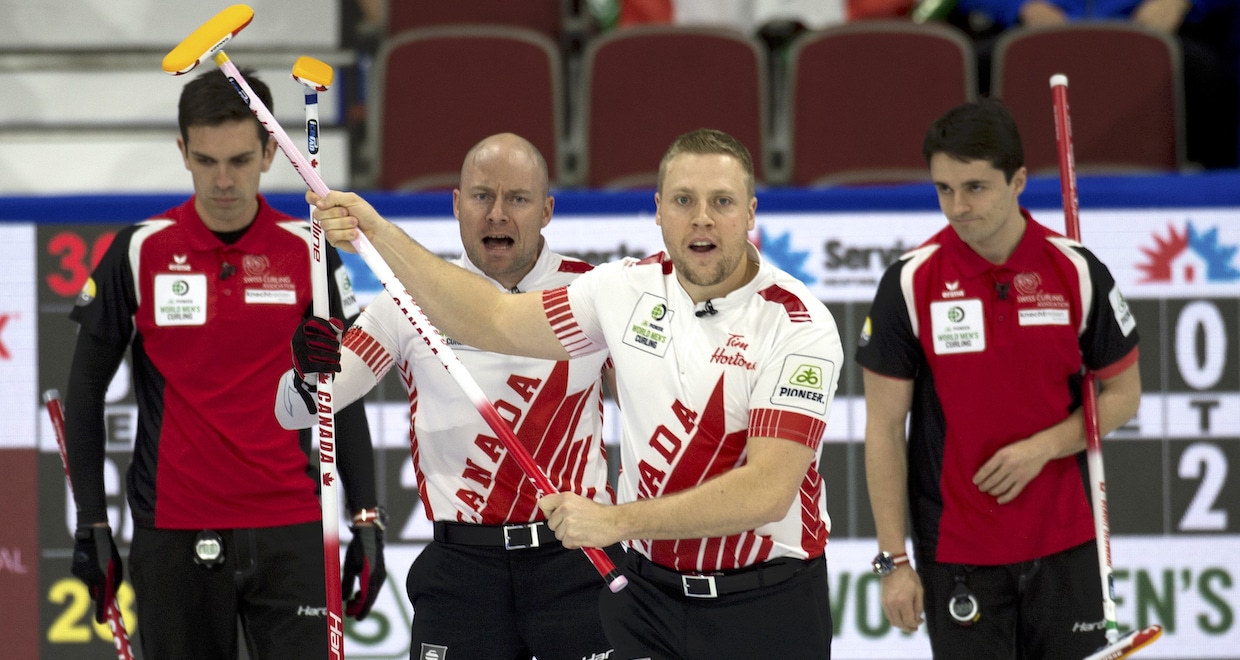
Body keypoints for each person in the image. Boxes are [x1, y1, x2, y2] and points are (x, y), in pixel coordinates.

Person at [310, 128, 843, 659]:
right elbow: (493, 318)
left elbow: (767, 491)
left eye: (721, 202)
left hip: (768, 599)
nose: (701, 217)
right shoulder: (619, 291)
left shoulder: (798, 323)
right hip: (649, 601)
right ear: (658, 211)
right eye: (684, 200)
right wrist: (377, 233)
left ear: (750, 214)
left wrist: (617, 521)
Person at [62, 68, 384, 660]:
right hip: (173, 532)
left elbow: (346, 391)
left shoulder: (307, 251)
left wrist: (365, 517)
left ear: (269, 153)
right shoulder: (139, 249)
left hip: (291, 527)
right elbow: (83, 395)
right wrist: (92, 525)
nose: (223, 180)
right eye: (206, 160)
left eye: (239, 159)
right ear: (182, 150)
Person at [275, 132, 622, 660]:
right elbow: (296, 409)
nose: (497, 215)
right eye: (482, 196)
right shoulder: (408, 300)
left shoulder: (596, 293)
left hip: (575, 561)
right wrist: (307, 365)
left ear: (548, 210)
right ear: (457, 205)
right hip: (464, 573)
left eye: (518, 199)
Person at [856, 99, 1141, 658]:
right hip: (959, 554)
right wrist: (894, 562)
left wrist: (1045, 447)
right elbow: (884, 430)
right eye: (943, 189)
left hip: (1068, 545)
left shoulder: (1077, 270)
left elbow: (1124, 394)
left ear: (1018, 181)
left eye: (975, 187)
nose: (957, 208)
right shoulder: (910, 283)